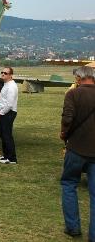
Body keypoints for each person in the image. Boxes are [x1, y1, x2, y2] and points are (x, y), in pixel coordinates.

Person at [60, 66, 95, 240]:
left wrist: (63, 134)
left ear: (79, 79)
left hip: (76, 149)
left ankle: (73, 227)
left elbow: (67, 118)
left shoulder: (73, 94)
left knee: (68, 184)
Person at [0, 67, 18, 164]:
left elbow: (9, 104)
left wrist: (2, 112)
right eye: (2, 72)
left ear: (10, 75)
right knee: (3, 134)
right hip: (5, 112)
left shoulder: (11, 86)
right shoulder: (6, 84)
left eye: (5, 73)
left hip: (7, 113)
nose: (3, 74)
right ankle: (6, 156)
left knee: (7, 135)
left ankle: (12, 158)